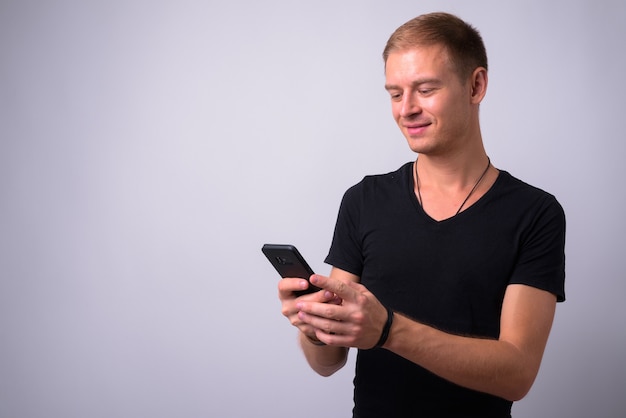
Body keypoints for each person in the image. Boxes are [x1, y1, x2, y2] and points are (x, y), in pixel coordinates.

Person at [277, 12, 565, 418]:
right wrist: (315, 327)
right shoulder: (364, 199)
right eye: (395, 94)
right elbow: (328, 363)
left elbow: (517, 374)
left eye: (425, 89)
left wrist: (389, 331)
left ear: (476, 85)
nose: (406, 109)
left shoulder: (535, 214)